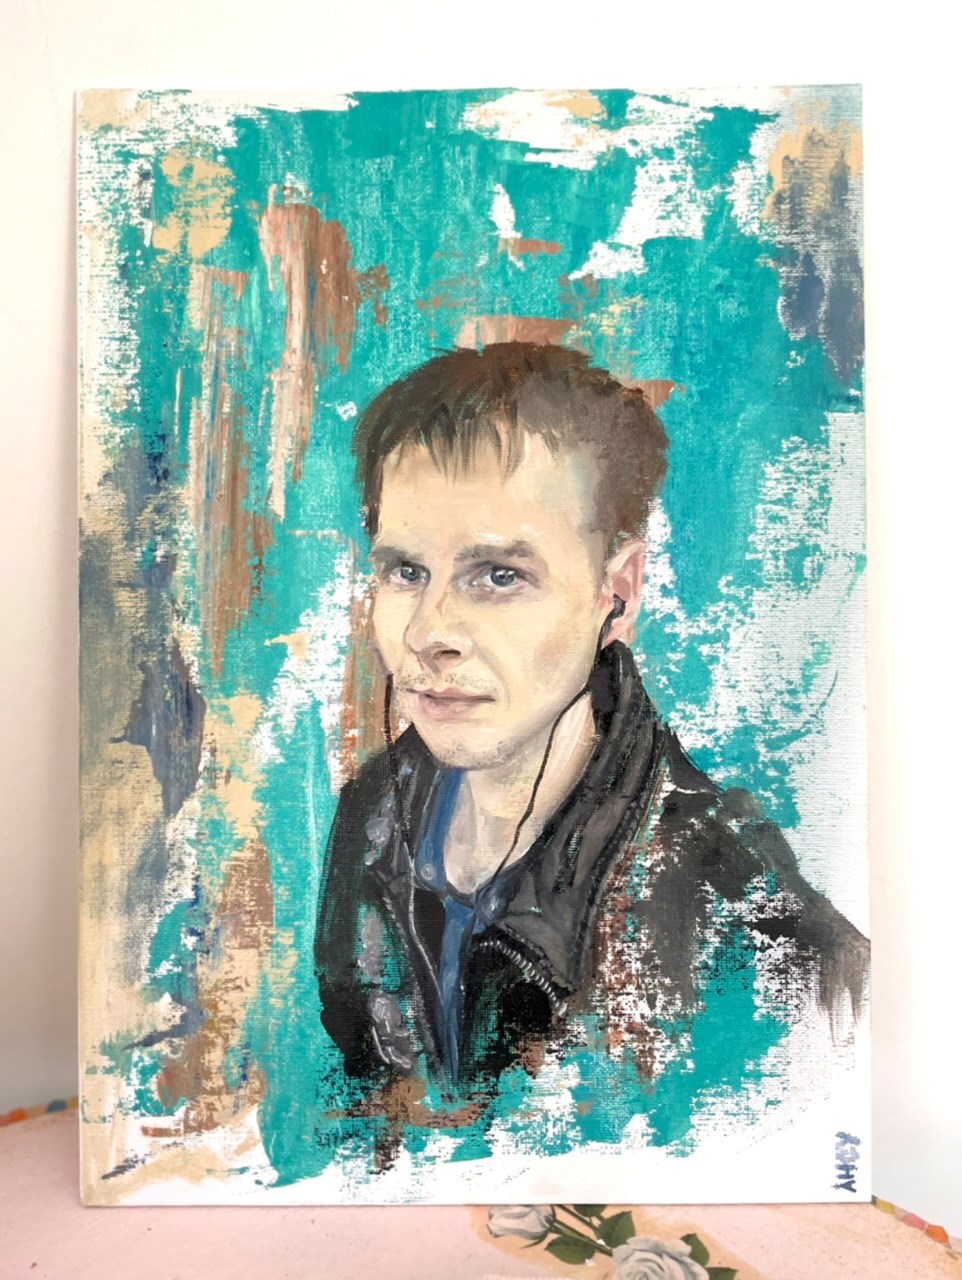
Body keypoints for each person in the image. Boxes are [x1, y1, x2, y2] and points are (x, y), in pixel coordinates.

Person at [314, 342, 868, 1114]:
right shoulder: (373, 815)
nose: (428, 632)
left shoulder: (739, 915)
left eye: (499, 576)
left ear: (618, 594)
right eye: (406, 572)